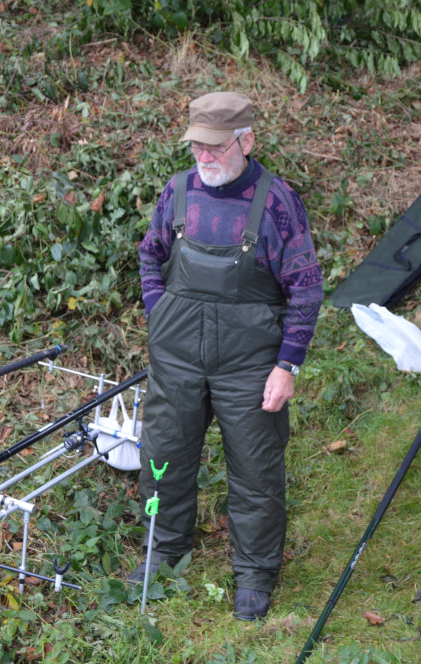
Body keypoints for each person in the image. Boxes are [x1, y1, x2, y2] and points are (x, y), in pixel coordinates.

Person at [133, 91, 324, 621]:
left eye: (215, 147)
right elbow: (150, 255)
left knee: (256, 471)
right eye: (197, 146)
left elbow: (306, 289)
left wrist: (287, 365)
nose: (204, 156)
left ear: (247, 141)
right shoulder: (178, 192)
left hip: (250, 364)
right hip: (177, 356)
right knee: (163, 457)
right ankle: (164, 551)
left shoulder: (277, 203)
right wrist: (159, 311)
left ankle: (255, 573)